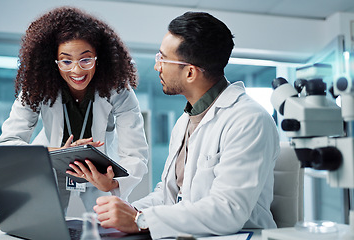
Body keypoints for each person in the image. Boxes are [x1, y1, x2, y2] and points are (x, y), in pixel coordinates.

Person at [93, 11, 280, 239]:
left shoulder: (249, 119)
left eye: (162, 59)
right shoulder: (185, 121)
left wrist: (140, 220)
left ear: (190, 72)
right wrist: (122, 214)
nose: (156, 67)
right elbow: (167, 196)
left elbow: (227, 210)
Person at [0, 6, 148, 213]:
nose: (76, 70)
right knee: (44, 225)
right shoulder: (37, 87)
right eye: (66, 61)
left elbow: (135, 153)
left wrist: (112, 184)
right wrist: (57, 153)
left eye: (85, 59)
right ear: (53, 61)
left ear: (98, 58)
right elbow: (7, 146)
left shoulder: (118, 90)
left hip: (99, 170)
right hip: (49, 165)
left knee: (103, 228)